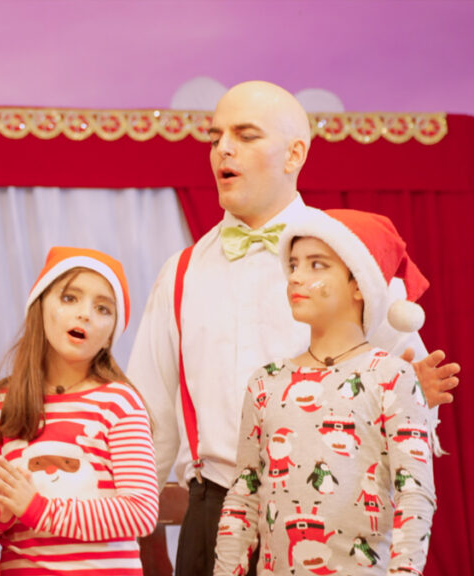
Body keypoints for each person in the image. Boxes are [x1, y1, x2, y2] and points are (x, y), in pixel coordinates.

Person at [125, 81, 459, 576]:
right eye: (215, 137)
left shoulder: (352, 257)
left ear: (294, 153)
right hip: (213, 514)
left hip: (333, 512)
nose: (224, 149)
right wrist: (119, 532)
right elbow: (148, 421)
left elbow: (407, 388)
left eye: (246, 135)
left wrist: (419, 397)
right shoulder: (181, 271)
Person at [214, 208, 436, 575]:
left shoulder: (391, 376)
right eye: (294, 265)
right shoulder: (266, 382)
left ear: (358, 285)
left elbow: (415, 495)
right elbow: (243, 498)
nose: (297, 277)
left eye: (317, 265)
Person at [0, 247, 158, 575]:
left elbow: (139, 512)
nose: (85, 314)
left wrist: (37, 508)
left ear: (112, 331)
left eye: (103, 308)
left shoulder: (120, 403)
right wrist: (0, 512)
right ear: (40, 305)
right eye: (70, 298)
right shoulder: (0, 405)